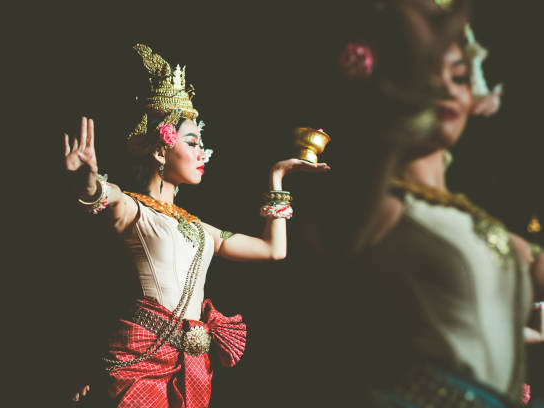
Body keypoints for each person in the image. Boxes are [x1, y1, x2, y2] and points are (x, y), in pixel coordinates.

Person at [62, 43, 330, 407]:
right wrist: (87, 182)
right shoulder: (134, 210)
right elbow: (102, 196)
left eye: (202, 143)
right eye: (192, 141)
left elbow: (274, 250)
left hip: (189, 369)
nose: (203, 152)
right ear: (160, 151)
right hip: (139, 361)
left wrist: (277, 178)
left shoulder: (204, 231)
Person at [347, 18, 544, 406]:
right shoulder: (378, 207)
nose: (447, 90)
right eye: (425, 75)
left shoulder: (489, 230)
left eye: (459, 77)